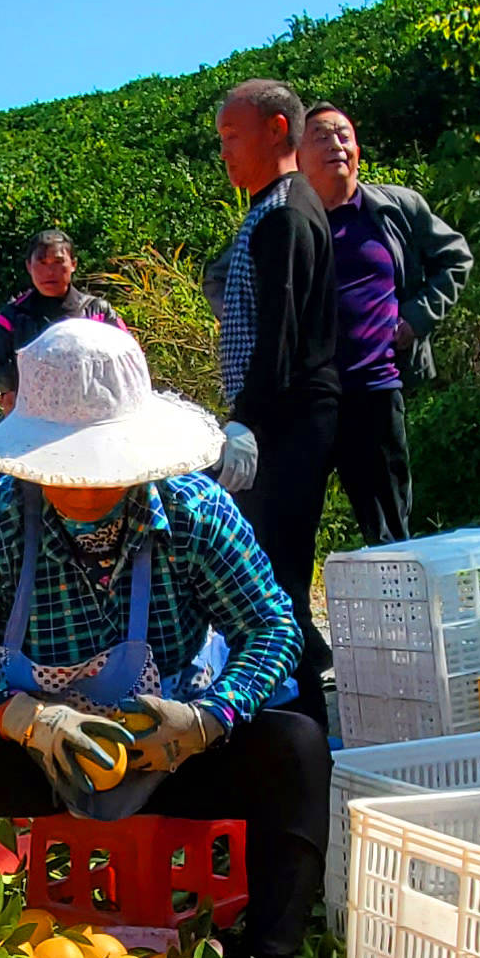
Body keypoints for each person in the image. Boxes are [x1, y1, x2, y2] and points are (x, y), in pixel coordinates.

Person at [0, 317, 330, 958]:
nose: (86, 488)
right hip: (36, 756)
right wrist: (18, 718)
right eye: (65, 467)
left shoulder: (194, 512)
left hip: (172, 753)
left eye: (102, 468)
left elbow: (272, 628)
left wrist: (209, 718)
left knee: (296, 747)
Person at [207, 78, 348, 719]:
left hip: (288, 420)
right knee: (272, 569)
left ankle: (301, 723)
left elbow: (280, 333)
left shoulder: (287, 211)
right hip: (280, 417)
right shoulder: (271, 207)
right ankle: (302, 689)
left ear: (276, 131)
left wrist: (247, 423)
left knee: (275, 576)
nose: (226, 153)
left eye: (233, 137)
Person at [300, 103, 474, 552]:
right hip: (307, 398)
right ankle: (296, 620)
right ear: (297, 155)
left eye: (343, 135)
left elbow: (455, 259)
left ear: (358, 149)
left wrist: (415, 319)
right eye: (321, 136)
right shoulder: (287, 220)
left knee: (390, 529)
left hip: (376, 388)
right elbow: (223, 278)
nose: (336, 144)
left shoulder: (396, 207)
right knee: (293, 527)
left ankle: (401, 618)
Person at [0, 229, 116, 403]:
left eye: (59, 262)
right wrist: (27, 373)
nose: (50, 271)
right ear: (29, 266)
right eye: (42, 262)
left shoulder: (97, 313)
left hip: (91, 416)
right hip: (32, 420)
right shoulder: (13, 317)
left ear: (73, 264)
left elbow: (129, 363)